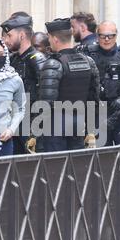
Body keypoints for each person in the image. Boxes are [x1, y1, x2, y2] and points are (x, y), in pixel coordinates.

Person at [39, 18, 100, 152]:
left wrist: (35, 133)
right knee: (75, 167)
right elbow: (94, 99)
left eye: (49, 37)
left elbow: (46, 104)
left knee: (55, 167)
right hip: (78, 123)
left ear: (54, 39)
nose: (48, 41)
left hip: (56, 125)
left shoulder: (53, 64)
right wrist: (91, 129)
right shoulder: (88, 62)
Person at [1, 14, 46, 154]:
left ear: (21, 35)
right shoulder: (12, 59)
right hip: (13, 123)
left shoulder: (36, 59)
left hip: (32, 124)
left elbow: (45, 95)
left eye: (9, 35)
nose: (5, 40)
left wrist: (36, 127)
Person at [83, 21, 120, 145]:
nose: (106, 39)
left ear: (116, 35)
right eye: (102, 36)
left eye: (111, 36)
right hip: (96, 112)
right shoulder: (87, 53)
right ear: (97, 35)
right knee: (100, 153)